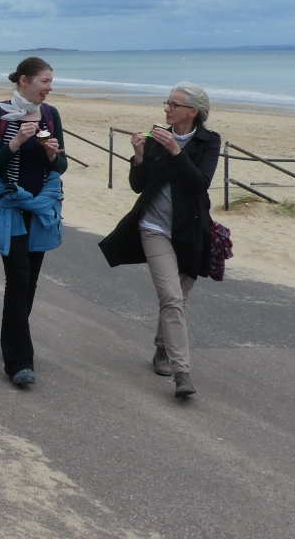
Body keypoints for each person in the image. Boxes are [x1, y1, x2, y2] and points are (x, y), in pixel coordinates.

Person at [100, 83, 220, 399]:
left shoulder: (209, 141)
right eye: (167, 102)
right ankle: (182, 373)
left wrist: (176, 151)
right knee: (170, 296)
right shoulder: (156, 137)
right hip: (153, 228)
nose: (167, 108)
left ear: (193, 112)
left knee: (177, 297)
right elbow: (139, 185)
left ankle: (161, 348)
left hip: (191, 231)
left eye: (174, 105)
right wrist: (139, 156)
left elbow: (200, 183)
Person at [0, 57, 68, 387]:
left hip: (41, 208)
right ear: (23, 80)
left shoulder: (50, 115)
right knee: (17, 278)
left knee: (29, 281)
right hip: (9, 205)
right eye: (44, 81)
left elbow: (61, 166)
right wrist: (15, 143)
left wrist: (52, 156)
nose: (49, 88)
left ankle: (12, 338)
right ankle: (19, 361)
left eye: (51, 82)